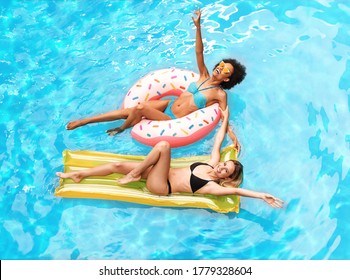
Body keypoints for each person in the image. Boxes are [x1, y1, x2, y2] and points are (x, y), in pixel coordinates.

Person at [66, 9, 246, 152]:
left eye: (225, 70)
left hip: (172, 118)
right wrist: (198, 27)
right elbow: (199, 52)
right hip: (168, 105)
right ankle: (84, 121)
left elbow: (224, 116)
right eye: (221, 64)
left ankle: (121, 129)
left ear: (228, 78)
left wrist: (233, 137)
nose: (219, 68)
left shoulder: (219, 94)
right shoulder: (203, 75)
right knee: (128, 110)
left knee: (140, 108)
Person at [57, 107, 283, 208]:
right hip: (158, 172)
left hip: (161, 185)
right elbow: (218, 140)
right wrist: (226, 118)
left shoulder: (213, 187)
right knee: (116, 165)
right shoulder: (211, 163)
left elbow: (235, 191)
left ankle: (136, 173)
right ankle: (79, 175)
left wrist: (262, 195)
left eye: (226, 170)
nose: (222, 166)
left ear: (226, 178)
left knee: (164, 145)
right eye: (225, 164)